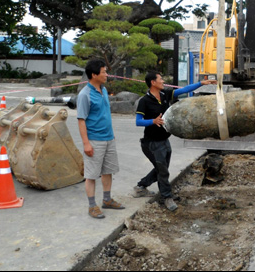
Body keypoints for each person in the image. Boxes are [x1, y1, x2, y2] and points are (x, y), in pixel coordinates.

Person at [134, 72, 216, 211]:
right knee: (163, 171)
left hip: (165, 139)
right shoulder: (144, 101)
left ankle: (141, 187)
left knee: (162, 168)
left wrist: (201, 84)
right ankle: (167, 197)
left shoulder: (165, 94)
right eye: (160, 79)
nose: (163, 81)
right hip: (152, 143)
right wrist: (153, 121)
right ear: (153, 82)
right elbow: (138, 121)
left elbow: (183, 90)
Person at [77, 59, 125, 219]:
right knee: (91, 175)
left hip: (109, 139)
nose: (106, 74)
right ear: (93, 74)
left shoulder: (103, 90)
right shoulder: (85, 94)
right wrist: (86, 144)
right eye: (103, 72)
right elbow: (81, 120)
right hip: (94, 141)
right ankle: (92, 206)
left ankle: (107, 199)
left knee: (108, 171)